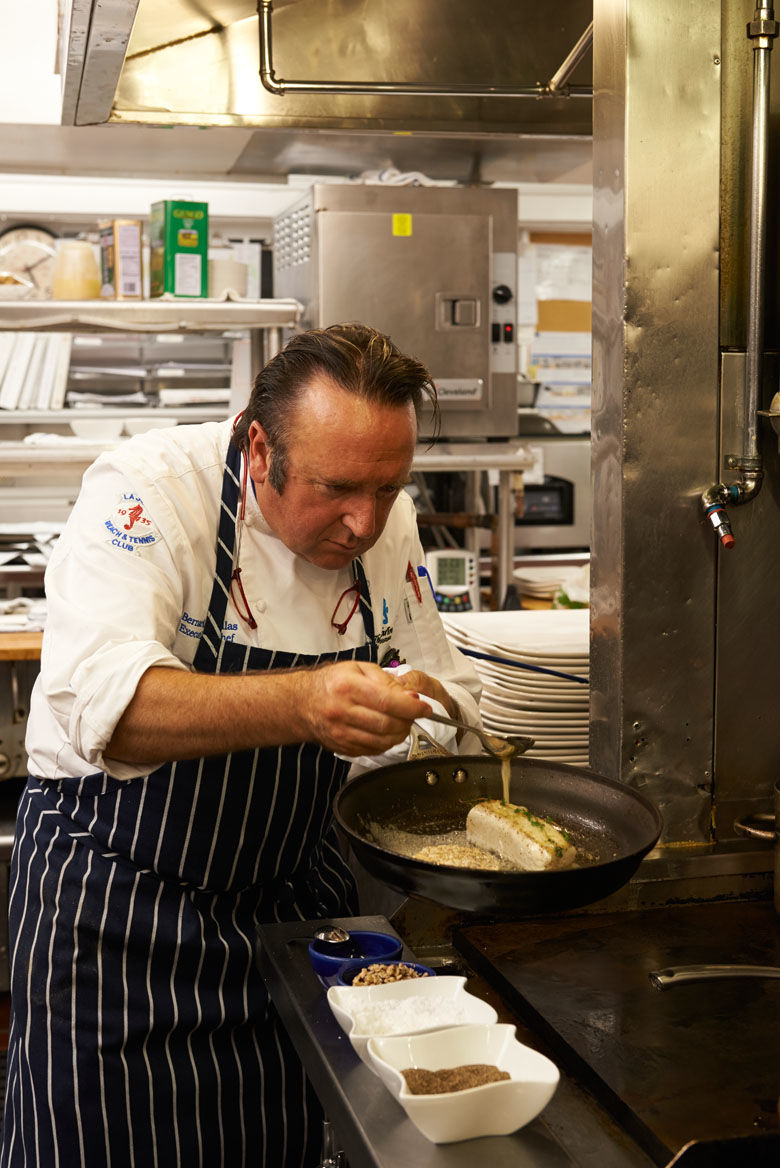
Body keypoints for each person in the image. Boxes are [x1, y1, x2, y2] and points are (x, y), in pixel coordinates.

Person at [1, 322, 482, 1168]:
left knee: (281, 1138)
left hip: (291, 910)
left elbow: (436, 688)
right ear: (259, 448)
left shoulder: (381, 517)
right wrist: (305, 701)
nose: (364, 521)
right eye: (337, 489)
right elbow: (108, 708)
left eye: (390, 487)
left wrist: (414, 723)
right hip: (120, 914)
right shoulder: (147, 492)